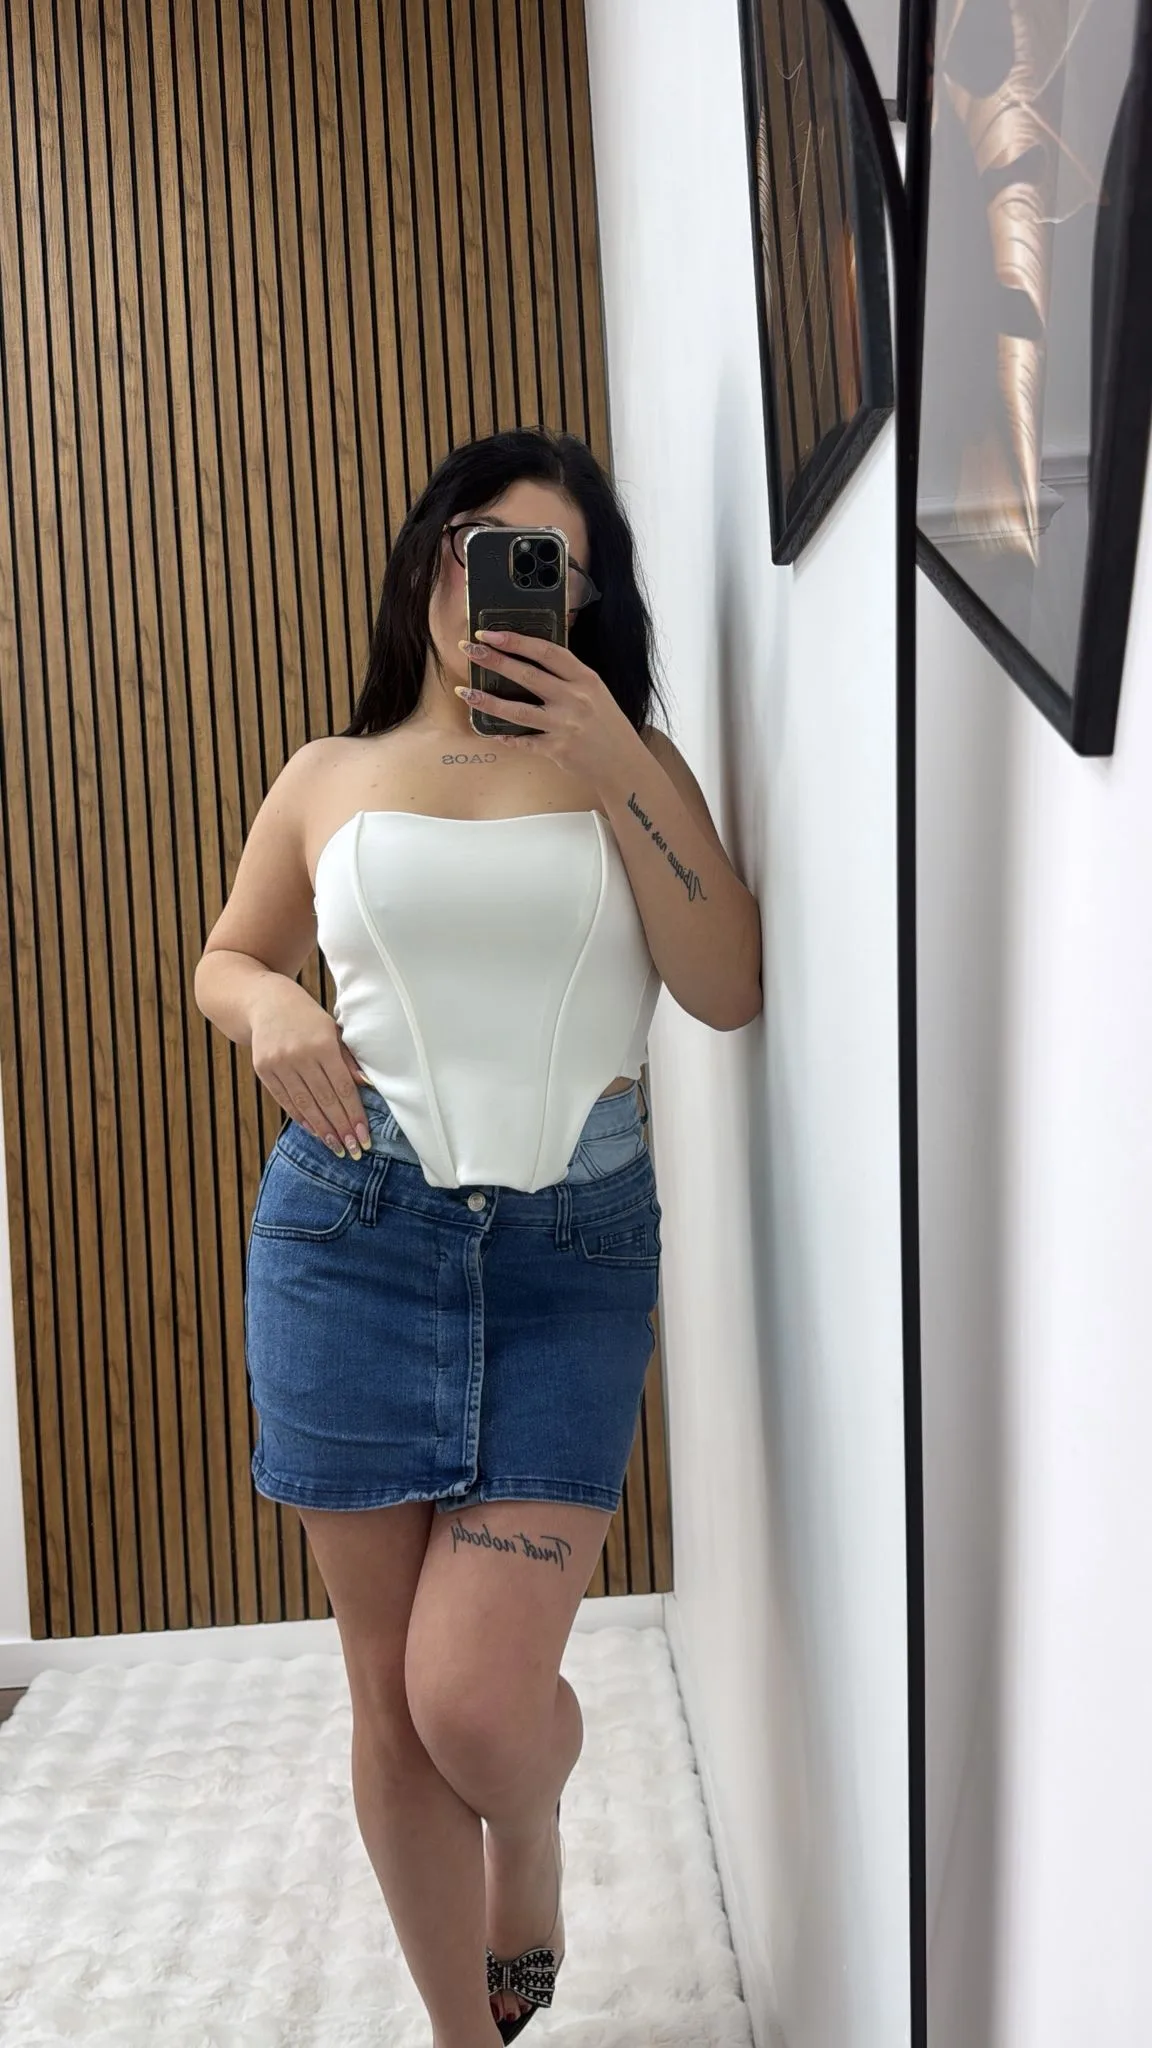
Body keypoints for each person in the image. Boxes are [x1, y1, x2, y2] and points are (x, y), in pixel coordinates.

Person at [194, 426, 762, 2046]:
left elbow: (727, 985)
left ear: (585, 603)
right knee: (389, 1696)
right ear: (428, 561)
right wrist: (269, 1006)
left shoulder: (631, 769)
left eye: (548, 567)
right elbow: (226, 957)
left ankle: (533, 1819)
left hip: (570, 1261)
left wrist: (616, 759)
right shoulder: (327, 774)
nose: (500, 585)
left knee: (479, 1701)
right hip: (349, 1240)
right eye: (476, 546)